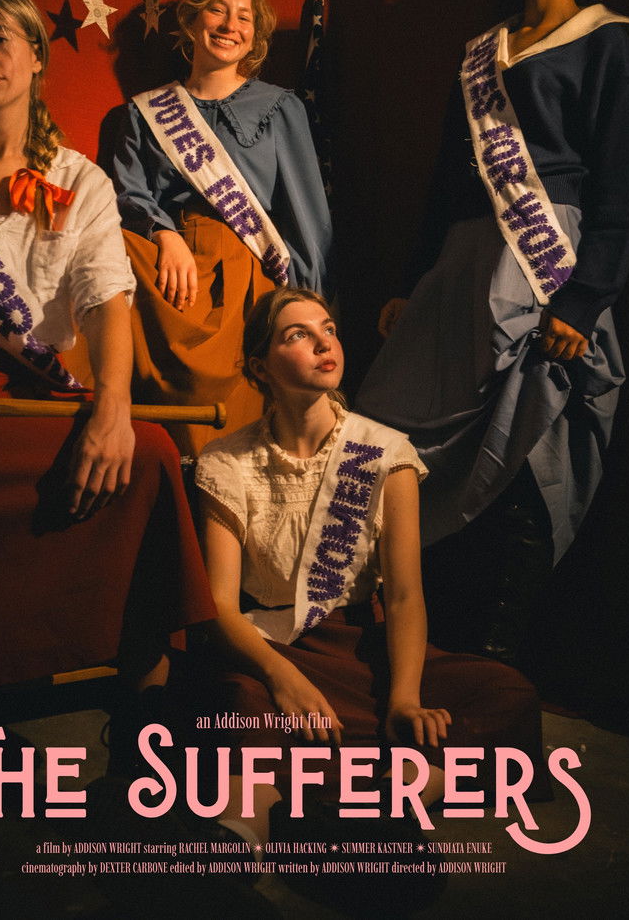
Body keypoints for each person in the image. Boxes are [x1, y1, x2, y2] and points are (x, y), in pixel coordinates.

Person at [0, 0, 214, 691]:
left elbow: (107, 299)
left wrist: (113, 409)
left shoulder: (80, 180)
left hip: (30, 395)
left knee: (150, 454)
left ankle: (140, 701)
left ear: (36, 54)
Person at [356, 0, 629, 668]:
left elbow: (621, 183)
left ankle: (494, 650)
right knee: (383, 431)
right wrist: (413, 279)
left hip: (548, 262)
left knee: (530, 447)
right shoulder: (482, 54)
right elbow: (448, 178)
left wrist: (583, 299)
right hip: (465, 263)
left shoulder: (606, 42)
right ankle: (389, 612)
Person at [191, 288, 547, 856]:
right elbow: (221, 607)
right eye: (298, 335)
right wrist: (282, 677)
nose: (323, 343)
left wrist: (404, 699)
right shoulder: (225, 462)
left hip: (364, 646)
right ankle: (242, 833)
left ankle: (395, 800)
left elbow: (404, 597)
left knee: (506, 692)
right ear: (259, 367)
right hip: (275, 646)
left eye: (328, 329)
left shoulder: (384, 453)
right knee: (238, 701)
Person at [112, 0, 333, 456]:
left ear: (256, 32)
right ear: (192, 21)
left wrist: (308, 305)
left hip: (248, 273)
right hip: (171, 272)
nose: (231, 25)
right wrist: (164, 234)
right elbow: (129, 192)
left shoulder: (280, 107)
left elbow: (306, 215)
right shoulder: (144, 113)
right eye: (217, 10)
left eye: (244, 17)